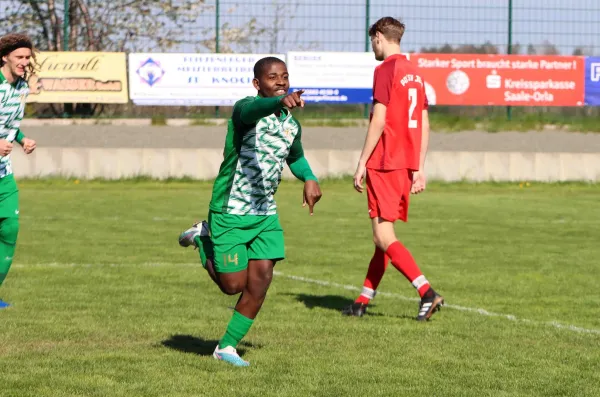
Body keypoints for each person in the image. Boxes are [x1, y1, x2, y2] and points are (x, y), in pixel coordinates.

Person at [178, 57, 322, 366]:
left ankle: (226, 347)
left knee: (260, 281)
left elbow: (295, 157)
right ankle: (203, 238)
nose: (280, 81)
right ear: (258, 84)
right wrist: (276, 101)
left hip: (265, 215)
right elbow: (255, 109)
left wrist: (309, 177)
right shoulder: (246, 110)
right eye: (272, 77)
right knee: (233, 286)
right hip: (230, 210)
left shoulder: (290, 125)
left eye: (284, 76)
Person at [342, 17, 444, 321]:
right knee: (382, 236)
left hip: (385, 161)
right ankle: (362, 300)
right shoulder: (415, 72)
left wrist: (361, 162)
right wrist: (419, 167)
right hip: (405, 164)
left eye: (371, 40)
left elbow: (379, 119)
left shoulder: (385, 69)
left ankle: (426, 292)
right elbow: (424, 123)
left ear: (378, 37)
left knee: (384, 235)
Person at [0, 34, 37, 309]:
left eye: (27, 57)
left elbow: (10, 122)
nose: (25, 62)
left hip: (3, 172)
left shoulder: (22, 87)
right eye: (20, 57)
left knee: (10, 228)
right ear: (5, 57)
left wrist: (21, 139)